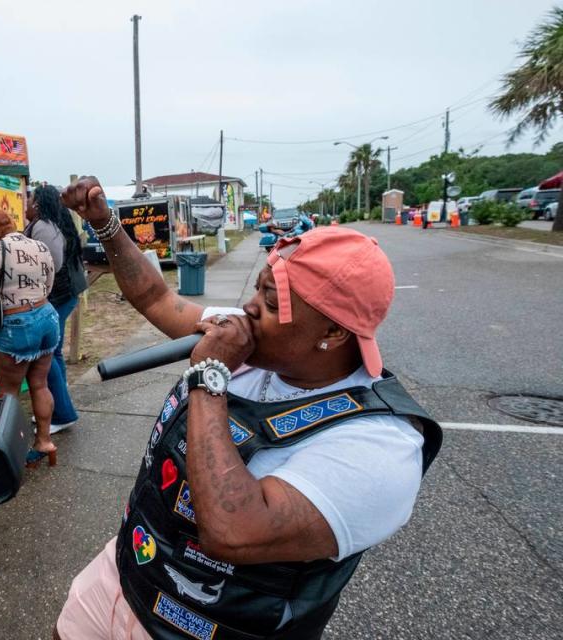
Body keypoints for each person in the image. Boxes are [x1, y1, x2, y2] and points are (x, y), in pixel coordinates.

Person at [54, 177, 443, 640]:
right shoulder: (257, 346)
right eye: (258, 290)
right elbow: (157, 298)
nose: (247, 310)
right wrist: (105, 223)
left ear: (334, 333)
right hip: (127, 576)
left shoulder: (380, 447)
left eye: (270, 300)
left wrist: (209, 376)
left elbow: (232, 530)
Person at [0, 210, 61, 465]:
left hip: (16, 325)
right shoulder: (39, 245)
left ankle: (14, 452)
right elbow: (49, 284)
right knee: (40, 385)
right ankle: (45, 442)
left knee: (8, 393)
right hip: (47, 316)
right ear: (13, 225)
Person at [24, 185, 88, 433]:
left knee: (45, 355)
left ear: (38, 203)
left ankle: (62, 414)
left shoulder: (43, 227)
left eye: (29, 199)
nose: (26, 203)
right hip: (64, 294)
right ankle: (55, 403)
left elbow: (53, 264)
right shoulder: (48, 224)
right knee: (54, 353)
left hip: (58, 296)